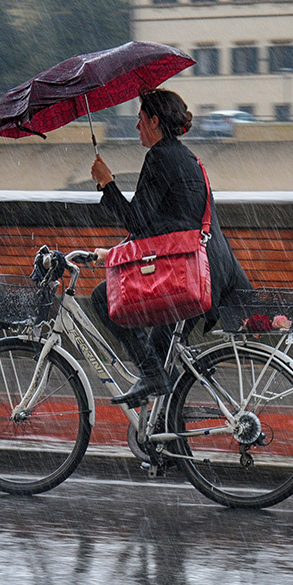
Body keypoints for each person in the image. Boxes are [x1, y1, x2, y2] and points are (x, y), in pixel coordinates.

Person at [90, 89, 251, 407]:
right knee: (162, 353)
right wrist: (115, 255)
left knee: (103, 298)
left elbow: (137, 220)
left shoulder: (160, 157)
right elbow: (165, 226)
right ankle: (171, 447)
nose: (137, 127)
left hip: (189, 273)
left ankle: (152, 375)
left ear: (154, 120)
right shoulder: (189, 158)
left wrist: (107, 183)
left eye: (139, 119)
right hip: (209, 271)